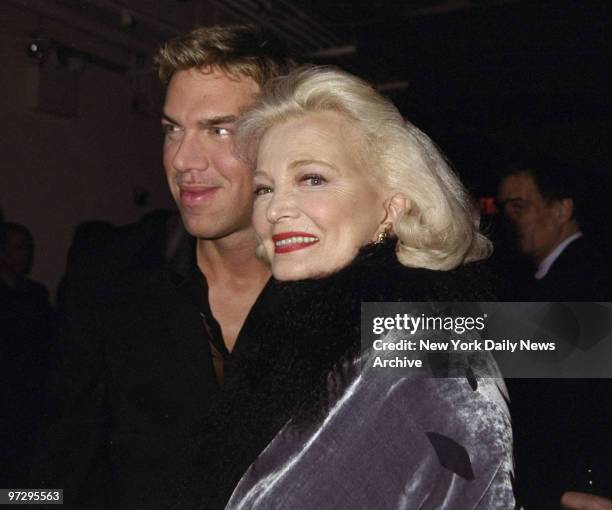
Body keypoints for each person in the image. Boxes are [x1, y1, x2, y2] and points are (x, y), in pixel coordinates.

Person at [189, 66, 515, 509]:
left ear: (392, 205)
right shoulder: (293, 321)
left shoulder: (416, 340)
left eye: (312, 179)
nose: (276, 209)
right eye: (265, 188)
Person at [30, 25, 294, 509]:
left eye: (219, 130)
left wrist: (425, 222)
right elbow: (60, 460)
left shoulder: (346, 278)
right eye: (173, 129)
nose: (183, 160)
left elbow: (474, 370)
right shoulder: (110, 274)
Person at [496, 159, 610, 300]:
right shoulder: (576, 271)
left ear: (561, 210)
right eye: (503, 209)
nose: (508, 218)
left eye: (519, 207)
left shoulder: (585, 280)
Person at [1, 222, 55, 486]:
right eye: (18, 248)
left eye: (28, 248)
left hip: (29, 396)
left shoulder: (35, 293)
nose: (26, 255)